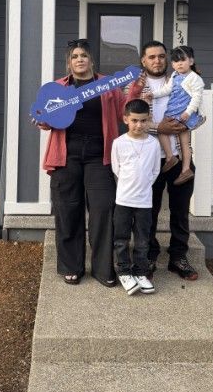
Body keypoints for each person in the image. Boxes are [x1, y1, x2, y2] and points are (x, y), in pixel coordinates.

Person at [38, 39, 140, 287]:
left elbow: (123, 114)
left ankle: (103, 268)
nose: (79, 60)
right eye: (75, 56)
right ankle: (71, 266)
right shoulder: (57, 88)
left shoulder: (106, 86)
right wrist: (43, 121)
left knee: (103, 211)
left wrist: (136, 91)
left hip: (99, 156)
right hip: (66, 156)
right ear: (69, 62)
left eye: (84, 55)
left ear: (91, 60)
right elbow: (47, 118)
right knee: (67, 211)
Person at [140, 40, 199, 281]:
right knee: (149, 211)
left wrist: (189, 123)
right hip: (150, 157)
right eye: (151, 57)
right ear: (143, 61)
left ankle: (178, 256)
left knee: (180, 210)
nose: (157, 61)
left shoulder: (183, 78)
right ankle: (149, 254)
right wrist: (158, 126)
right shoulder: (136, 86)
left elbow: (197, 109)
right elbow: (131, 119)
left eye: (161, 56)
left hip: (179, 155)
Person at [111, 98, 161, 296]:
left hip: (144, 201)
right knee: (121, 238)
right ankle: (124, 271)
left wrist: (144, 186)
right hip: (123, 200)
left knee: (142, 239)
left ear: (148, 120)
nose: (139, 125)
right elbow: (117, 169)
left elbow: (155, 170)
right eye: (134, 120)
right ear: (125, 120)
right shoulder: (119, 143)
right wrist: (128, 186)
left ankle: (141, 272)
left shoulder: (154, 144)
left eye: (143, 121)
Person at [147, 46, 205, 186]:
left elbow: (197, 98)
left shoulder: (195, 78)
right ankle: (170, 157)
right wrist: (153, 95)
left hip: (184, 114)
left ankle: (185, 169)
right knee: (162, 131)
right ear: (172, 64)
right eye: (175, 61)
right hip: (173, 111)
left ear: (191, 61)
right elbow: (167, 89)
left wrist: (188, 112)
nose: (179, 64)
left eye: (183, 60)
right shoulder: (174, 75)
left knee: (184, 143)